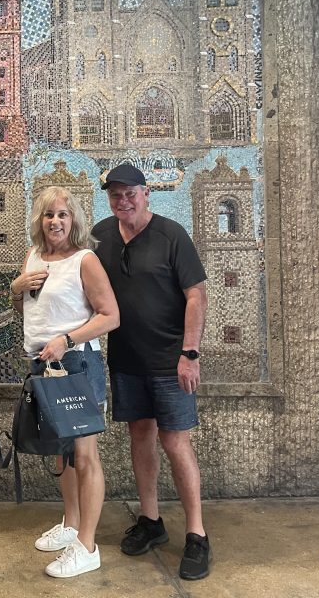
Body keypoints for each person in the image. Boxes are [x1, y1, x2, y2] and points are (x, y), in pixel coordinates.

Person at [92, 163, 211, 580]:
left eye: (130, 193)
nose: (123, 200)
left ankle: (196, 534)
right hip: (126, 360)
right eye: (115, 194)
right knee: (139, 436)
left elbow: (196, 294)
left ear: (146, 194)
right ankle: (151, 521)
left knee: (175, 441)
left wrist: (190, 353)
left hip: (169, 362)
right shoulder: (101, 235)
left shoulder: (171, 235)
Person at [10, 186, 120, 578]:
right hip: (44, 365)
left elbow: (110, 316)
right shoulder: (35, 257)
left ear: (74, 220)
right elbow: (33, 309)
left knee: (85, 456)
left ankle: (87, 546)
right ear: (38, 220)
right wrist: (15, 288)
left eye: (63, 215)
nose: (55, 221)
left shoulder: (85, 260)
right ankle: (71, 523)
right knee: (62, 452)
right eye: (48, 215)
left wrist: (67, 339)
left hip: (76, 363)